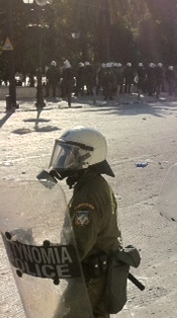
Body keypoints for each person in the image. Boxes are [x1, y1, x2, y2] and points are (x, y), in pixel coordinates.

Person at [44, 126, 120, 318]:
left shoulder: (88, 195)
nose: (63, 161)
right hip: (100, 272)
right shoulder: (93, 183)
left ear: (88, 158)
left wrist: (41, 253)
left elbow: (76, 250)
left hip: (91, 278)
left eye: (70, 155)